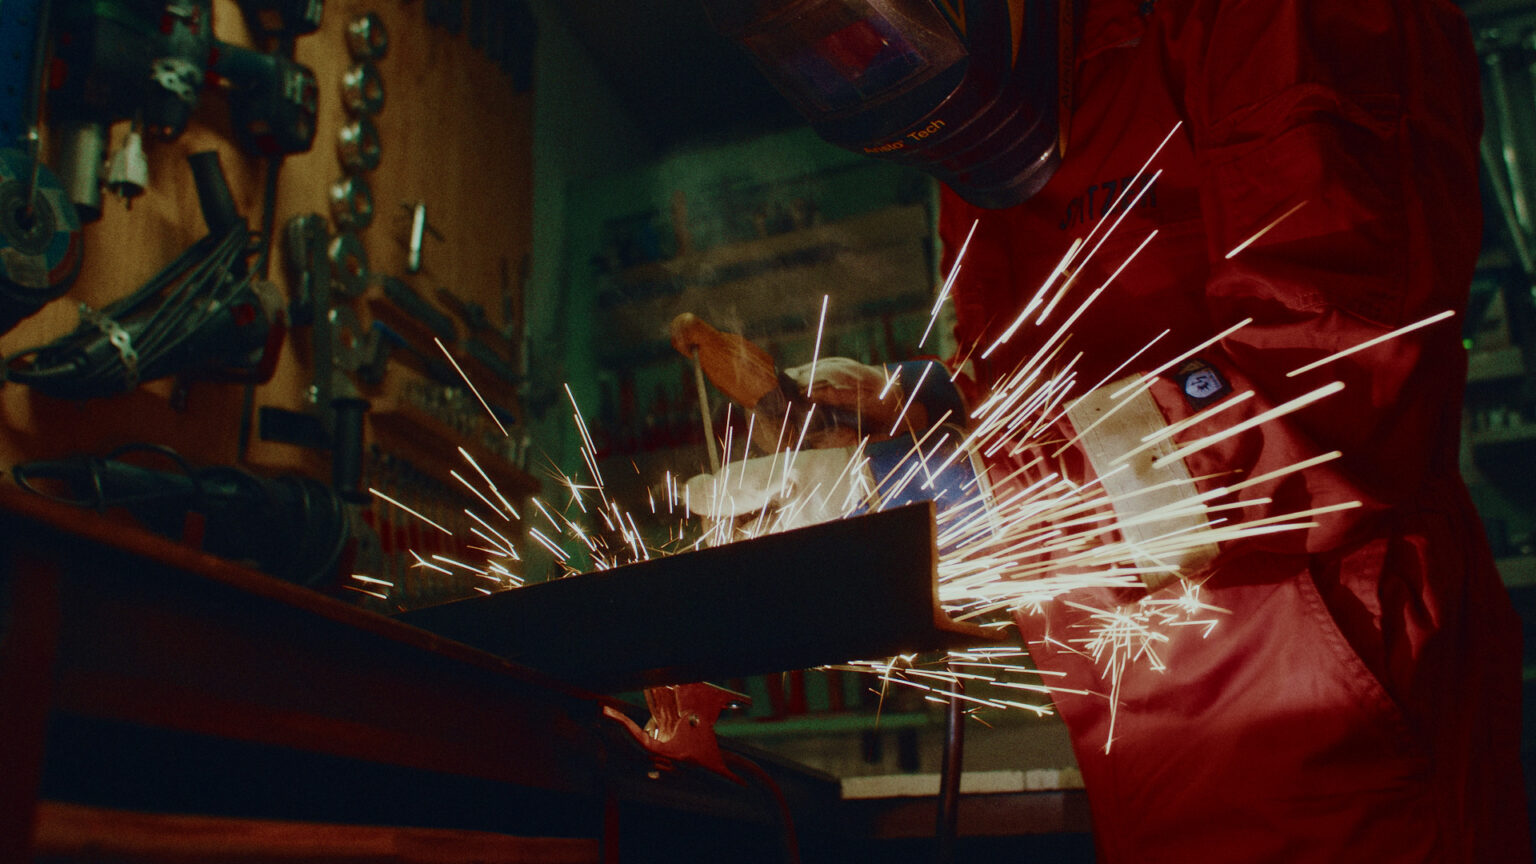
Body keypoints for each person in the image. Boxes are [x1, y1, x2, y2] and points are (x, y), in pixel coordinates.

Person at [704, 0, 1532, 860]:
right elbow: (1047, 392)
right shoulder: (997, 84)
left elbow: (1326, 380)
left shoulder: (1278, 20)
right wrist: (915, 419)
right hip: (1134, 716)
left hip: (1332, 717)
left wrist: (952, 495)